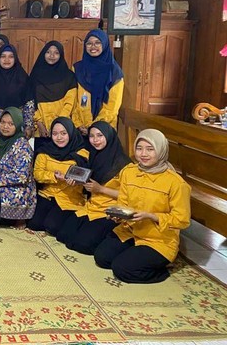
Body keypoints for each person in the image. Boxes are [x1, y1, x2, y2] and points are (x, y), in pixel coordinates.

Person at [94, 129, 191, 283]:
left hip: (158, 240)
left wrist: (152, 216)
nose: (143, 154)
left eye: (150, 149)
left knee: (122, 270)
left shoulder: (176, 183)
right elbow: (123, 202)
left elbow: (182, 220)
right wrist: (117, 215)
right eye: (139, 148)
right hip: (131, 231)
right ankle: (134, 255)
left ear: (161, 150)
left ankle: (161, 271)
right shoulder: (129, 172)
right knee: (102, 258)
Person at [56, 121, 131, 254]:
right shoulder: (93, 156)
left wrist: (101, 189)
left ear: (109, 136)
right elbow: (88, 183)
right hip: (91, 205)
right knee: (63, 235)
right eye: (92, 136)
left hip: (109, 211)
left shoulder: (125, 165)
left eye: (100, 135)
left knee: (83, 245)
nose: (95, 140)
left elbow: (129, 196)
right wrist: (77, 182)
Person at [27, 117, 89, 235]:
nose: (59, 137)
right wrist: (54, 176)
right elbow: (37, 174)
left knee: (52, 226)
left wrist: (75, 182)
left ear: (70, 133)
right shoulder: (44, 151)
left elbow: (84, 179)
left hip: (69, 197)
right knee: (34, 224)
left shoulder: (82, 154)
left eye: (63, 133)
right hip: (47, 194)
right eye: (55, 134)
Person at [72, 29, 124, 134]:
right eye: (89, 43)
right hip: (80, 129)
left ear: (104, 45)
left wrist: (94, 127)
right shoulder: (77, 69)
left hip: (104, 130)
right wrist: (77, 124)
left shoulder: (114, 72)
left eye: (97, 43)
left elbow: (112, 107)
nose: (93, 47)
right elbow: (73, 99)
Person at [29, 41, 77, 137]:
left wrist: (58, 125)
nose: (52, 55)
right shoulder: (35, 75)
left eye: (56, 53)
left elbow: (69, 103)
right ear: (43, 54)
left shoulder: (69, 76)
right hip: (40, 129)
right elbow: (30, 101)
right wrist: (39, 123)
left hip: (62, 128)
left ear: (61, 55)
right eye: (48, 52)